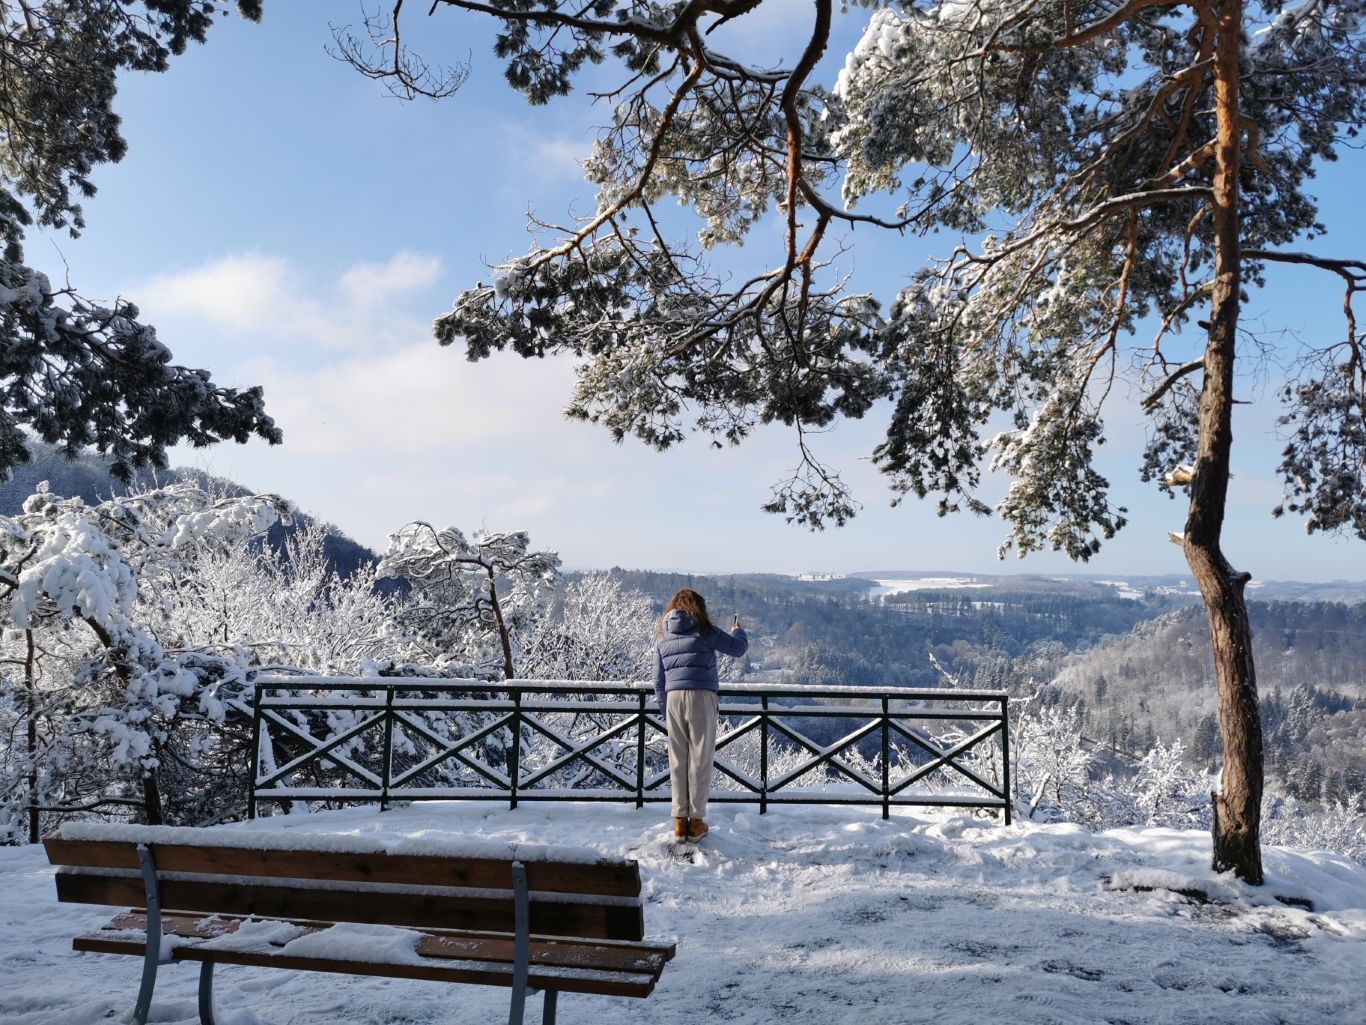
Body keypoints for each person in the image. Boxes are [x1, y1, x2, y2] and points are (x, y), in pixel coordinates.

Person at [652, 588, 748, 842]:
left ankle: (678, 822)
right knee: (700, 758)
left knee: (678, 760)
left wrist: (666, 709)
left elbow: (658, 681)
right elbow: (738, 649)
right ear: (699, 607)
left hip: (673, 699)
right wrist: (738, 630)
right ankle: (696, 822)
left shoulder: (663, 636)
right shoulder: (703, 630)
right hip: (701, 696)